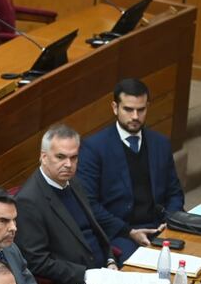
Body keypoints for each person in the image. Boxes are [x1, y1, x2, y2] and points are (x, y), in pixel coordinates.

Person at [77, 78, 184, 259]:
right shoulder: (94, 148)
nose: (135, 116)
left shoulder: (160, 143)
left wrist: (170, 220)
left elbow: (175, 192)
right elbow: (90, 205)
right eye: (128, 109)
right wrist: (128, 231)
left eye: (141, 110)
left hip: (160, 227)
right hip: (120, 233)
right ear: (115, 107)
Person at [15, 124, 117, 284]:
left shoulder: (74, 182)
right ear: (44, 157)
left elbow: (95, 230)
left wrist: (110, 260)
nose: (68, 164)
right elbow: (37, 261)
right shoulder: (28, 201)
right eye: (60, 157)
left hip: (106, 273)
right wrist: (87, 275)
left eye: (74, 157)